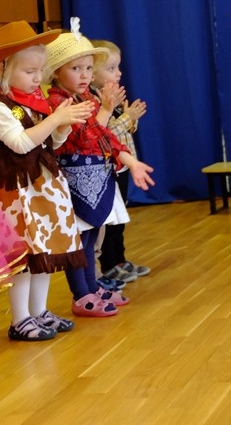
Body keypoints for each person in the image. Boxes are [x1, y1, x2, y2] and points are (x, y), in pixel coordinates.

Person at [44, 29, 155, 318]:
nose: (84, 75)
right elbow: (84, 138)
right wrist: (105, 109)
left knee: (92, 236)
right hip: (73, 181)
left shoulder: (86, 99)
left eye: (88, 68)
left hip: (95, 178)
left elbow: (106, 138)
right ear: (56, 72)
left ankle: (92, 286)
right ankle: (81, 295)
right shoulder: (58, 102)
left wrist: (130, 161)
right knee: (78, 241)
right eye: (75, 68)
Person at [0, 22, 93, 340]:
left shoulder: (35, 102)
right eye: (29, 71)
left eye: (40, 71)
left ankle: (39, 311)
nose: (37, 78)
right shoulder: (4, 107)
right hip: (19, 193)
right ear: (4, 69)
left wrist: (62, 126)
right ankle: (20, 319)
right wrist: (55, 119)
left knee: (45, 254)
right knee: (25, 259)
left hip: (43, 187)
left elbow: (50, 144)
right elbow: (20, 144)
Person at [90, 39, 151, 285]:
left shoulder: (110, 99)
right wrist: (127, 117)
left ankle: (119, 259)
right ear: (93, 74)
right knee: (110, 220)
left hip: (123, 165)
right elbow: (105, 133)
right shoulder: (95, 101)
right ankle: (109, 264)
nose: (119, 73)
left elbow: (122, 132)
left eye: (118, 67)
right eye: (111, 68)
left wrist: (130, 119)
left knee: (120, 217)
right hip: (108, 168)